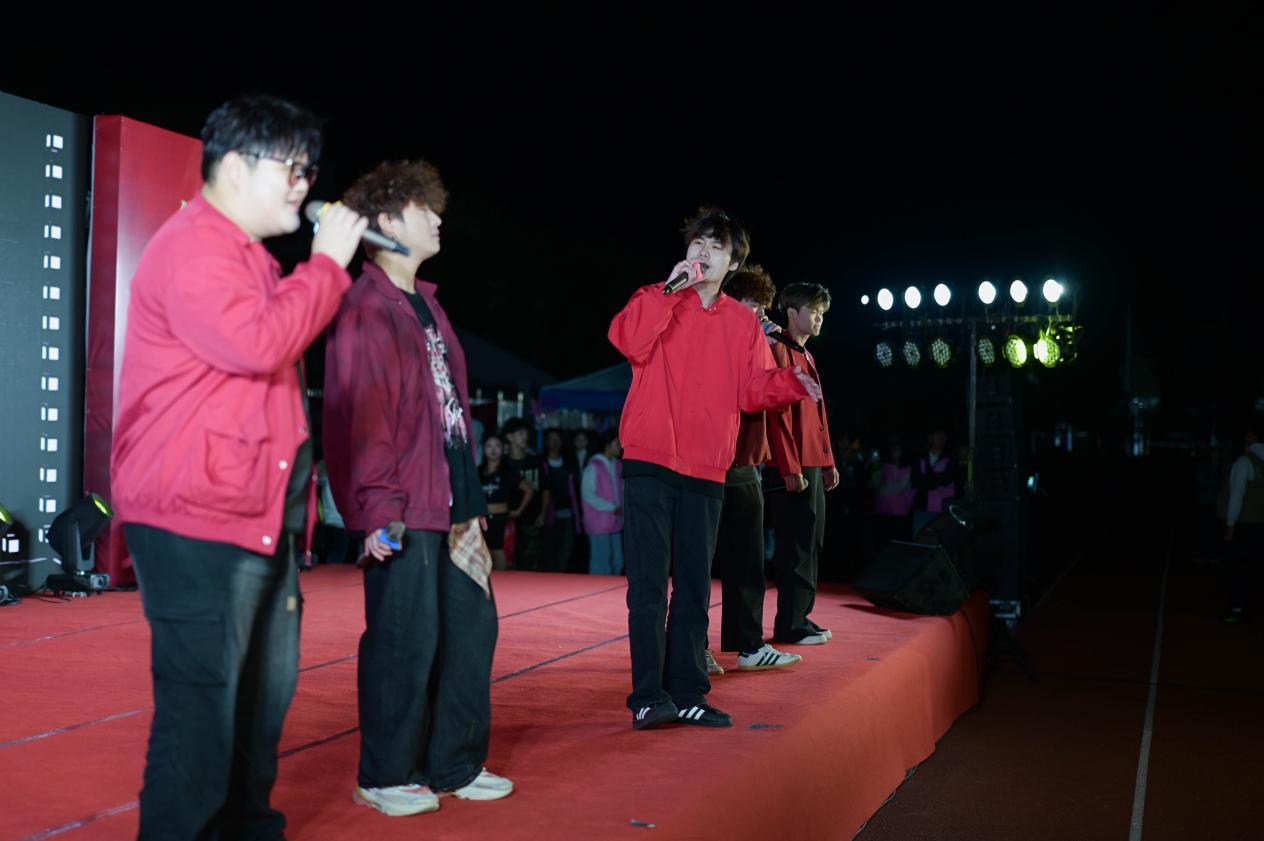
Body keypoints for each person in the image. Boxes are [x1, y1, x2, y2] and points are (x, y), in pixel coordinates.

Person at [110, 94, 367, 839]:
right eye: (293, 168)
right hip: (195, 516)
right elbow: (258, 343)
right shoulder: (195, 245)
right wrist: (327, 265)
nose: (304, 184)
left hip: (253, 516)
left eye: (308, 169)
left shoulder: (247, 257)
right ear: (233, 167)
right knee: (202, 712)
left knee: (259, 705)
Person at [324, 158, 511, 817]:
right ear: (384, 223)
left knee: (469, 633)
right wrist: (377, 510)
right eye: (421, 209)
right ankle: (384, 773)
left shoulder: (428, 304)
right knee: (404, 637)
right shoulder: (366, 306)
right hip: (401, 502)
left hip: (452, 497)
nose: (436, 219)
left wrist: (473, 500)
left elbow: (452, 411)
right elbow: (365, 418)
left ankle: (453, 764)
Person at [609, 208, 819, 730]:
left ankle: (688, 693)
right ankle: (647, 695)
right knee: (649, 586)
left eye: (717, 247)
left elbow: (751, 391)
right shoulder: (656, 297)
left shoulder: (742, 324)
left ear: (733, 264)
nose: (704, 253)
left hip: (706, 468)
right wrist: (669, 291)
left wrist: (791, 383)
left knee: (695, 587)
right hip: (650, 459)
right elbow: (626, 340)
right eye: (698, 243)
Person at [710, 264, 802, 675]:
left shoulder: (760, 343)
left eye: (764, 307)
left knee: (748, 560)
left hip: (746, 463)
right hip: (711, 463)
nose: (762, 314)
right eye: (754, 306)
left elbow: (773, 399)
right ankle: (694, 648)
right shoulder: (712, 339)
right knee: (700, 563)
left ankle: (748, 644)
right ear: (730, 304)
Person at [767, 282, 838, 647]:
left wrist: (827, 461)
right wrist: (790, 466)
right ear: (792, 313)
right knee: (796, 544)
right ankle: (789, 624)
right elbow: (778, 414)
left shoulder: (806, 354)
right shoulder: (779, 348)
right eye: (813, 311)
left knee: (812, 542)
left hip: (812, 460)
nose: (819, 317)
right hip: (793, 464)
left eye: (821, 312)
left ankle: (801, 616)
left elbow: (818, 414)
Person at [1219, 420, 1264, 623]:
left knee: (1237, 567)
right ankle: (1254, 607)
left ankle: (1238, 607)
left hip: (1245, 524)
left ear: (1253, 436)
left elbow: (1237, 495)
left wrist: (1230, 524)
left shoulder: (1244, 462)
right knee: (1257, 567)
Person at [480, 433, 535, 571]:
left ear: (503, 449)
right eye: (489, 446)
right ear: (483, 449)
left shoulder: (508, 472)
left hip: (502, 521)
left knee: (501, 556)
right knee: (483, 557)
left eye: (497, 446)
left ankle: (503, 584)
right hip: (482, 521)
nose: (493, 449)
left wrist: (519, 511)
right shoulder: (478, 472)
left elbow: (529, 490)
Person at [502, 417, 546, 570]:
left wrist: (543, 514)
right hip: (508, 519)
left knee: (531, 562)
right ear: (509, 437)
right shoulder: (503, 463)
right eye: (520, 433)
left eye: (525, 433)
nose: (525, 437)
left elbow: (546, 489)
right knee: (508, 560)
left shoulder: (536, 461)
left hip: (532, 518)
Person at [582, 431, 625, 574]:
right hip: (599, 522)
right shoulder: (593, 466)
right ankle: (597, 586)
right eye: (617, 443)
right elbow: (588, 495)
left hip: (615, 520)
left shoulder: (617, 465)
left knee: (617, 560)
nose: (620, 447)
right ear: (607, 446)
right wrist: (612, 507)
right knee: (601, 561)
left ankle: (610, 586)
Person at [541, 427, 581, 572]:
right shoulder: (540, 463)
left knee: (565, 553)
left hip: (568, 515)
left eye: (557, 439)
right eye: (551, 439)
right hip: (547, 517)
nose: (554, 443)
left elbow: (576, 492)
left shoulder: (570, 464)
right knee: (548, 553)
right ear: (546, 442)